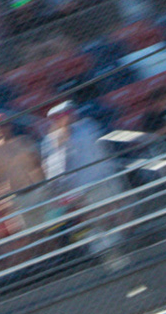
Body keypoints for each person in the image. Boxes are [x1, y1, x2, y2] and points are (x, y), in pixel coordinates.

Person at [41, 101, 124, 256]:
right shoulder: (51, 140)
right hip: (82, 186)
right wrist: (62, 141)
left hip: (103, 176)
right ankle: (108, 253)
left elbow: (100, 150)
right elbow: (56, 170)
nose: (67, 117)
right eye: (62, 116)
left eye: (68, 113)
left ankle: (124, 243)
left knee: (117, 210)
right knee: (96, 219)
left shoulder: (87, 126)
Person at [0, 116, 49, 258]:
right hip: (16, 199)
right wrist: (3, 202)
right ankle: (42, 264)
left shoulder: (24, 141)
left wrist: (46, 185)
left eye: (5, 125)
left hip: (38, 190)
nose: (4, 129)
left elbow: (39, 163)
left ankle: (61, 258)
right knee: (30, 237)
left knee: (52, 228)